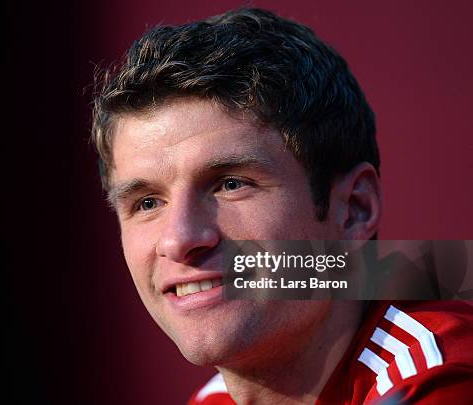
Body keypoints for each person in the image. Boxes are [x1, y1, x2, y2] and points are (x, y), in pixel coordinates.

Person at [90, 7, 473, 404]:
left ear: (354, 209)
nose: (179, 239)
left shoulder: (441, 383)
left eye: (231, 184)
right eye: (147, 202)